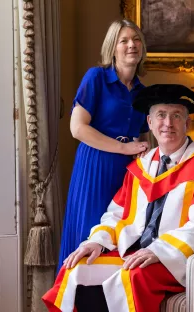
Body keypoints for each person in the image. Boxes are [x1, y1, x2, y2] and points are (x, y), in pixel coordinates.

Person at [43, 84, 194, 312]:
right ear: (150, 123)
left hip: (174, 258)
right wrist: (96, 241)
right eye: (161, 115)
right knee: (76, 269)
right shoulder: (139, 167)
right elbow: (116, 215)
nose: (168, 123)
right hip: (133, 251)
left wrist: (158, 251)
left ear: (187, 124)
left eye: (176, 116)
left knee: (133, 277)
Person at [57, 19, 150, 272]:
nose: (132, 45)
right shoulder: (96, 77)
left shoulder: (143, 92)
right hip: (95, 166)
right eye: (124, 40)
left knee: (121, 236)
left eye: (136, 39)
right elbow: (77, 129)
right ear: (113, 48)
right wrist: (123, 148)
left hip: (128, 172)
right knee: (90, 233)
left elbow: (145, 140)